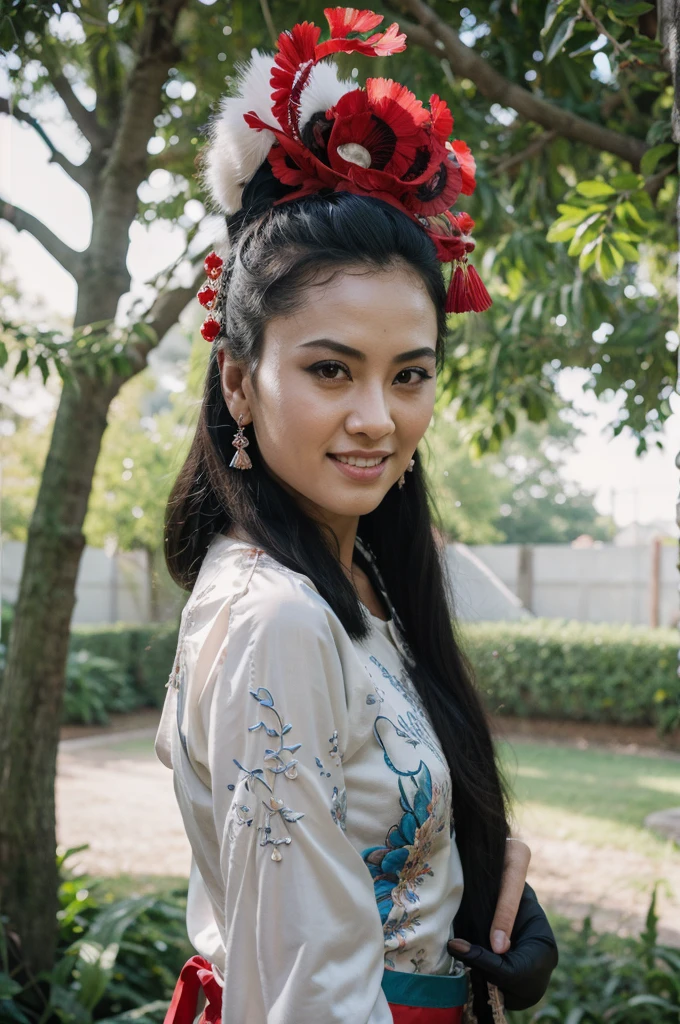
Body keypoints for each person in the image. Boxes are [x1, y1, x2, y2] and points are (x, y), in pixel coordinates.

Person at [155, 8, 558, 1023]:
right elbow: (306, 997)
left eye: (408, 374)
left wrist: (481, 884)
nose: (377, 419)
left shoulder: (358, 576)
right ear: (240, 383)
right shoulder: (277, 617)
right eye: (330, 369)